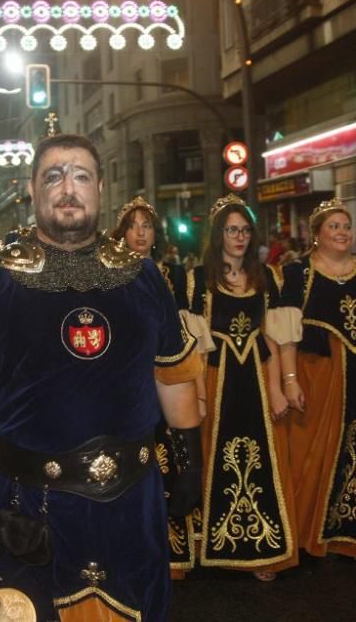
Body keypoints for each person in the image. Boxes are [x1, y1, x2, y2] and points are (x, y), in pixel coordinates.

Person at [0, 134, 202, 620]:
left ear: (99, 188)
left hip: (131, 503)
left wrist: (190, 461)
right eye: (53, 176)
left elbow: (174, 376)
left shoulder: (143, 275)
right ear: (33, 191)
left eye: (79, 175)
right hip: (31, 508)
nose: (67, 187)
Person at [272, 198, 356, 564]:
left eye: (346, 226)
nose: (342, 232)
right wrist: (289, 381)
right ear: (317, 234)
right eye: (334, 226)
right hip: (319, 375)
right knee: (312, 453)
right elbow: (285, 335)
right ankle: (309, 533)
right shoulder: (299, 273)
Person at [190, 195, 299, 581]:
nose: (239, 237)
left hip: (253, 377)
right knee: (213, 455)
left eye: (245, 230)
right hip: (217, 379)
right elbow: (196, 346)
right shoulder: (199, 279)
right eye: (232, 229)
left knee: (261, 458)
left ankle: (261, 549)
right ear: (219, 234)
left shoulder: (267, 277)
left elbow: (271, 339)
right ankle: (217, 545)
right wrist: (199, 396)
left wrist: (281, 385)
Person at [111, 195, 211, 575]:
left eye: (147, 225)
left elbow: (185, 343)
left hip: (167, 386)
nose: (140, 232)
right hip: (128, 388)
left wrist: (197, 393)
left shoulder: (172, 276)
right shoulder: (110, 276)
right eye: (133, 225)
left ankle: (171, 556)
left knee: (171, 467)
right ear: (121, 233)